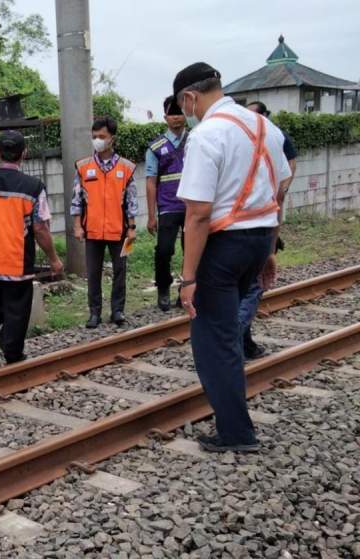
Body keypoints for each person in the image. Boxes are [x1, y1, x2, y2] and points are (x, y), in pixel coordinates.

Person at [174, 63, 291, 453]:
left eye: (182, 105)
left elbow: (199, 213)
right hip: (258, 239)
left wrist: (188, 278)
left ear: (189, 98)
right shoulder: (265, 127)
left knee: (214, 340)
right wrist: (270, 250)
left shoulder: (207, 134)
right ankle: (235, 419)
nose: (186, 112)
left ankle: (236, 434)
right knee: (228, 331)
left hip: (223, 247)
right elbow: (279, 187)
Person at [0, 131, 63, 367]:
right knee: (16, 310)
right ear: (24, 154)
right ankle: (12, 353)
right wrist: (53, 259)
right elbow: (40, 229)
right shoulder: (33, 187)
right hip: (17, 263)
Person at [239, 101, 298, 359]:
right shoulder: (245, 138)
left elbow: (282, 186)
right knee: (250, 288)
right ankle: (234, 340)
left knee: (248, 288)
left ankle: (243, 342)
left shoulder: (275, 137)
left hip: (256, 226)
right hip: (250, 228)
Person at [70, 116, 138, 328]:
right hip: (92, 231)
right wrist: (77, 225)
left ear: (112, 139)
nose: (97, 140)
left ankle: (117, 311)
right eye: (94, 137)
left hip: (120, 232)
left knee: (120, 270)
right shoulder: (83, 167)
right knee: (93, 273)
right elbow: (77, 199)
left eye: (102, 136)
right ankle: (94, 313)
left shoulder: (126, 168)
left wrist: (132, 227)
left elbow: (131, 200)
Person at [145, 96, 188, 311]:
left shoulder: (195, 140)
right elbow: (151, 182)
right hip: (168, 207)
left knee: (191, 251)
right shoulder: (156, 147)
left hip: (193, 207)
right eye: (172, 114)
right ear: (165, 118)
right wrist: (151, 215)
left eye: (180, 113)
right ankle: (163, 289)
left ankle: (186, 291)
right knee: (163, 250)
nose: (177, 118)